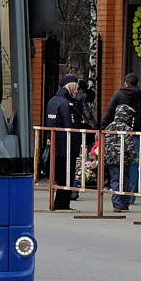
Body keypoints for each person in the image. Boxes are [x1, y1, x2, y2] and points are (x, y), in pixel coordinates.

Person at [101, 73, 141, 204]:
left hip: (116, 134)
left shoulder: (118, 95)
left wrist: (103, 129)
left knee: (116, 164)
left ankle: (118, 196)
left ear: (125, 83)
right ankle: (130, 196)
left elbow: (109, 113)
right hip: (135, 135)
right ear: (138, 84)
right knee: (133, 164)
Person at [44, 74, 84, 210]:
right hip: (67, 145)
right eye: (76, 88)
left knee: (60, 175)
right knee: (67, 175)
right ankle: (63, 204)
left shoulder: (52, 101)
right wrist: (77, 145)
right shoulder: (67, 104)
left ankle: (58, 203)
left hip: (56, 144)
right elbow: (71, 126)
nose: (77, 91)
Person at [102, 103, 137, 212]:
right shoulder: (127, 128)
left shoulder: (109, 127)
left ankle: (117, 203)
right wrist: (134, 157)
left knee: (115, 179)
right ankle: (123, 202)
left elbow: (105, 143)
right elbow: (130, 145)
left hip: (112, 158)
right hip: (124, 158)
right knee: (125, 179)